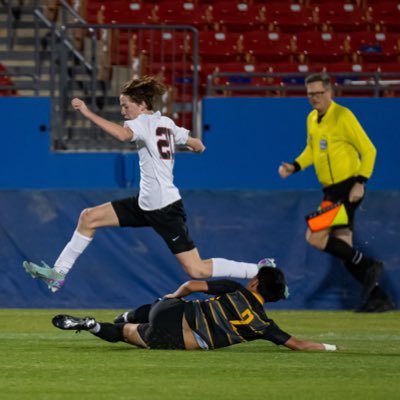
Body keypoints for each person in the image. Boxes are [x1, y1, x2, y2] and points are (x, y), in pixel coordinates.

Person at [23, 76, 269, 292]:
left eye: (125, 106)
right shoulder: (167, 123)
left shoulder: (140, 123)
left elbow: (122, 135)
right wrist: (197, 147)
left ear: (142, 105)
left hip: (164, 208)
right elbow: (196, 143)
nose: (122, 112)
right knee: (88, 217)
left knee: (197, 270)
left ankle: (258, 270)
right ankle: (58, 273)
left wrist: (87, 113)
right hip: (146, 203)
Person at [278, 72, 394, 313]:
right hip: (331, 190)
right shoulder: (312, 118)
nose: (315, 98)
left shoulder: (343, 115)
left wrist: (361, 182)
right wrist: (295, 166)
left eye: (319, 93)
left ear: (330, 92)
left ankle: (371, 264)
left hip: (347, 187)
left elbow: (369, 149)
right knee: (344, 247)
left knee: (314, 235)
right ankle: (379, 298)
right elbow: (312, 149)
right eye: (310, 94)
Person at [52, 265, 338, 352]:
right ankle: (93, 326)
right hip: (183, 338)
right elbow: (298, 344)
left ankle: (125, 316)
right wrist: (333, 348)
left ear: (255, 282)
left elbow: (191, 284)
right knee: (127, 334)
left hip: (172, 311)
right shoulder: (263, 325)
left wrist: (173, 295)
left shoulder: (234, 289)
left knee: (151, 310)